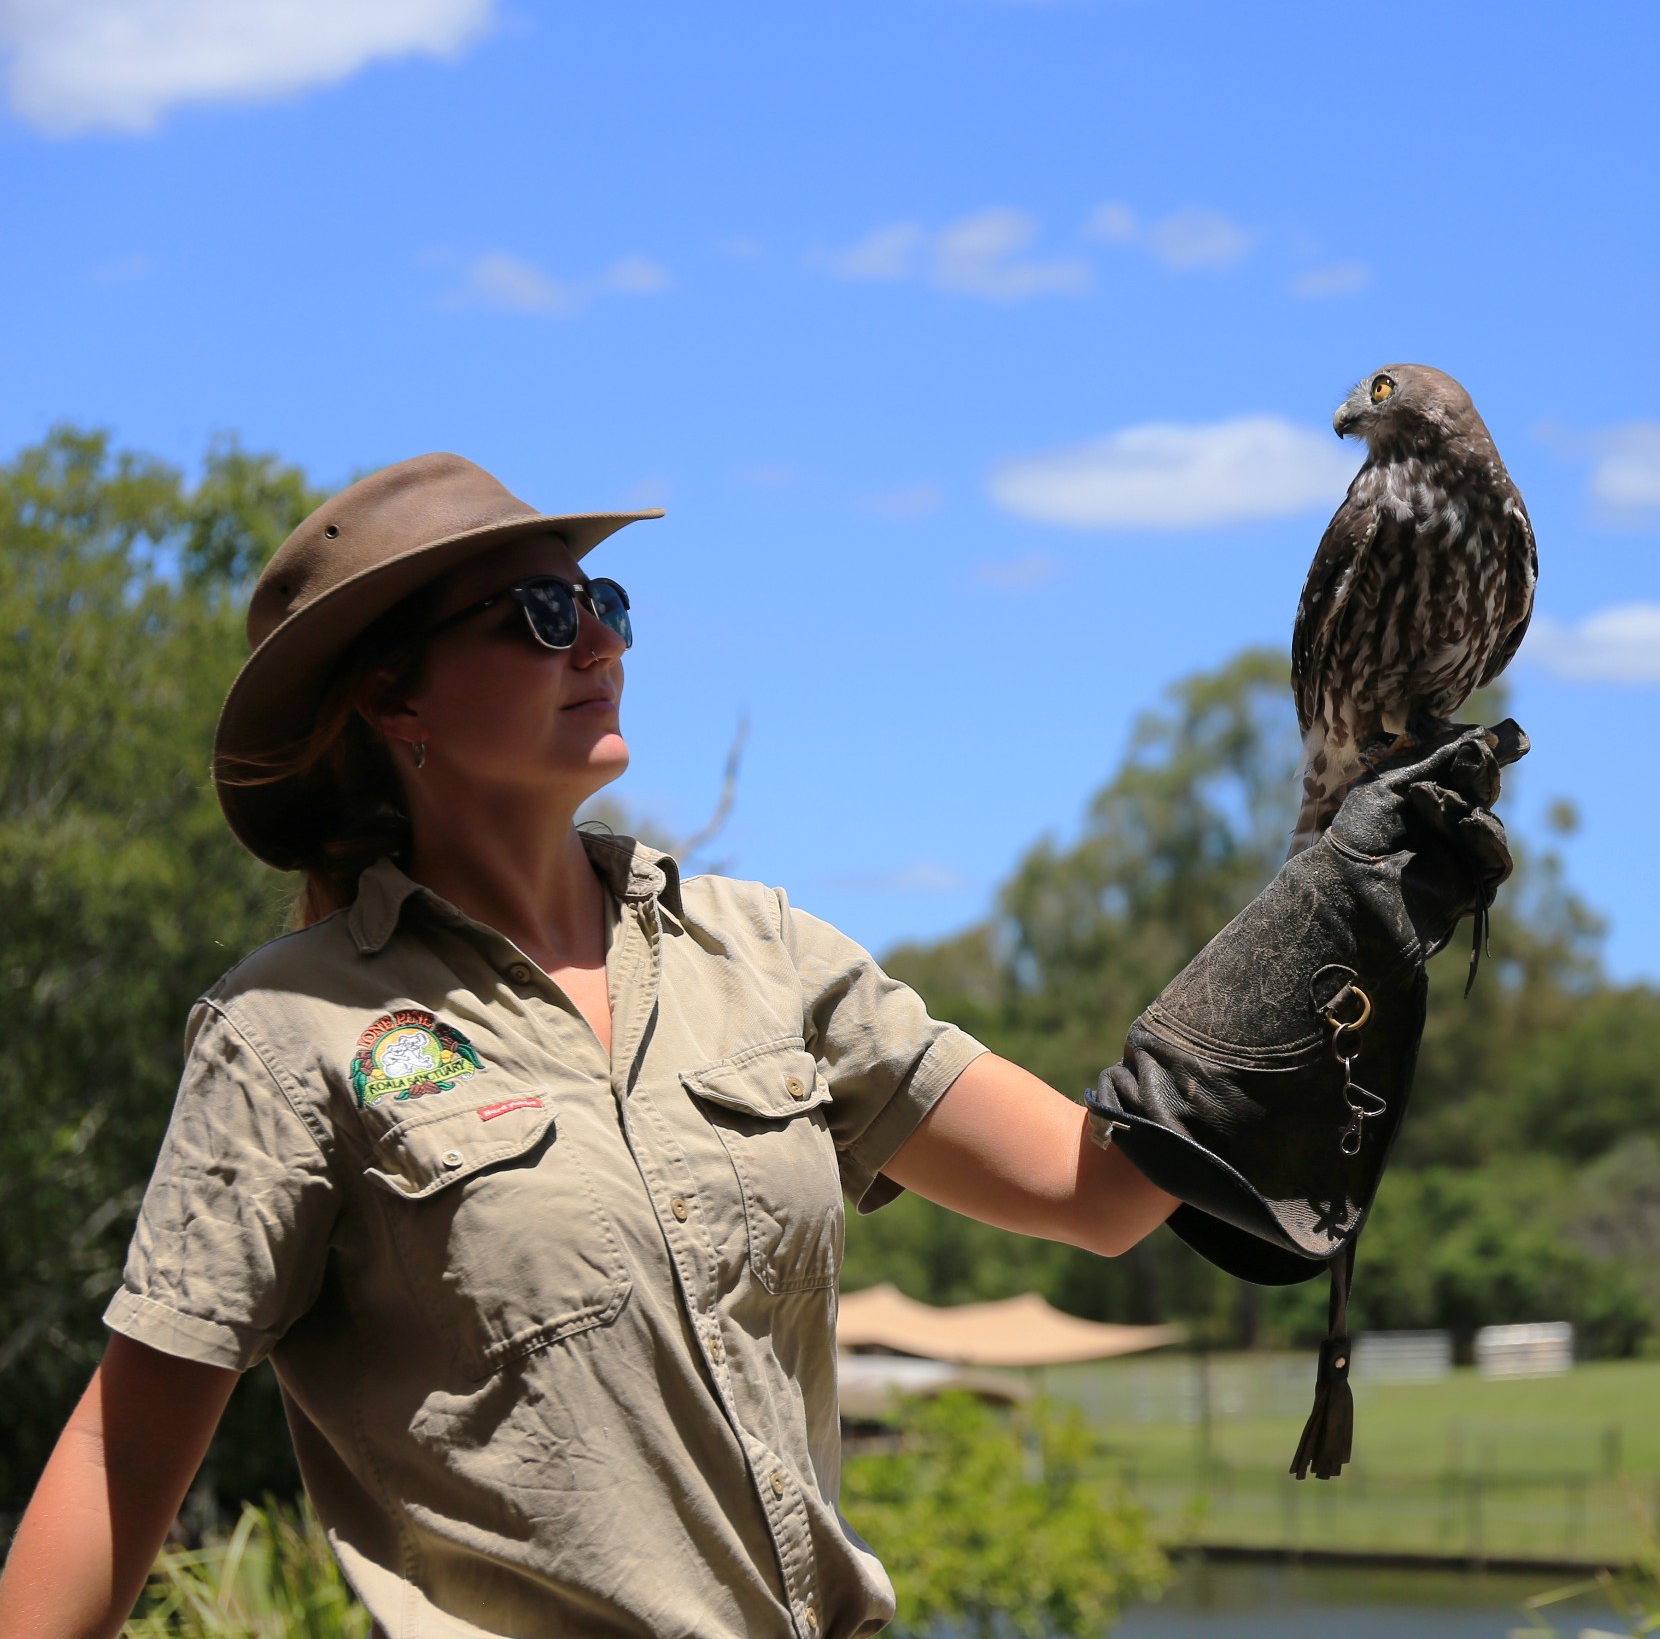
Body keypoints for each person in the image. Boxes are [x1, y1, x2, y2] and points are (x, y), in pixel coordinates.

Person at [0, 454, 1183, 1639]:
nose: (601, 644)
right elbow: (123, 1445)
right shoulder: (288, 1034)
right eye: (543, 614)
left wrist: (1342, 884)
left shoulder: (762, 952)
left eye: (604, 606)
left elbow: (1101, 1189)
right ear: (393, 700)